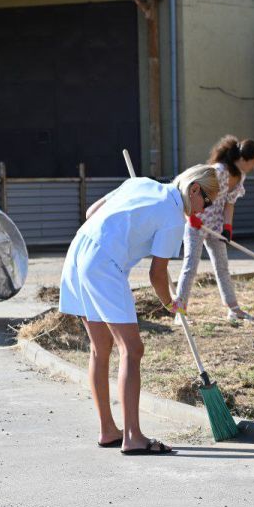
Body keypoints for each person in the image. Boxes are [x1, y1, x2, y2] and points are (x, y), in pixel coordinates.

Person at [59, 165, 219, 455]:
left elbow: (91, 212)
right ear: (194, 189)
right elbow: (157, 275)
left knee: (100, 347)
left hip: (78, 252)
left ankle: (109, 430)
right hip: (103, 264)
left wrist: (131, 223)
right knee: (132, 349)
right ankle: (132, 436)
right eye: (206, 202)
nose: (204, 210)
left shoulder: (142, 184)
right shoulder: (173, 219)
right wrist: (171, 304)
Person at [174, 136, 254, 323]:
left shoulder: (240, 177)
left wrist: (227, 228)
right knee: (190, 267)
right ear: (244, 159)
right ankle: (179, 314)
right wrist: (191, 216)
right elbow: (191, 189)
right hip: (196, 223)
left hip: (216, 226)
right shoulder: (218, 171)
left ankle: (234, 309)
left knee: (222, 267)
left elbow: (229, 204)